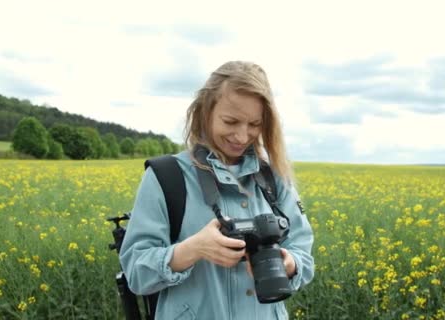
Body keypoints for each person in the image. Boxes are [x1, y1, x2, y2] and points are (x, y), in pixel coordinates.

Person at [119, 61, 314, 319]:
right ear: (205, 111)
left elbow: (304, 258)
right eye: (230, 121)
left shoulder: (274, 179)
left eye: (254, 124)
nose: (242, 136)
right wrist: (193, 249)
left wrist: (289, 264)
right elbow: (136, 273)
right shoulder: (167, 177)